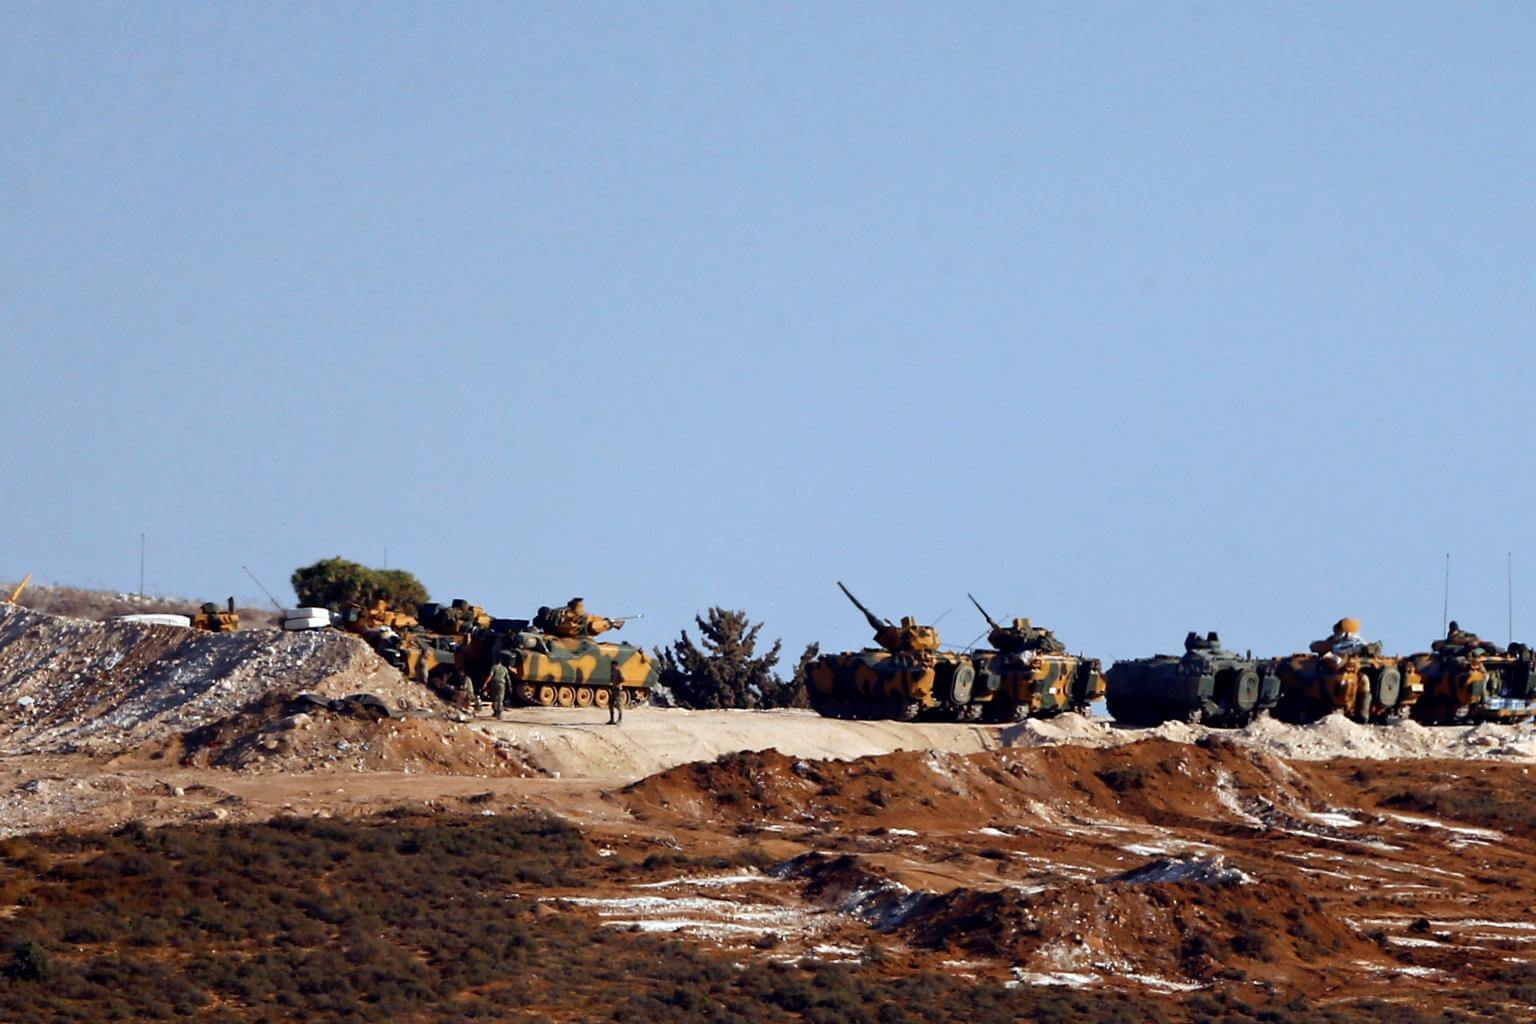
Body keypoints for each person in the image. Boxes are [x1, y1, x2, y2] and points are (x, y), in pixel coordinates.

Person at [487, 653, 511, 720]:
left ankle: (495, 711)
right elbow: (508, 678)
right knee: (500, 698)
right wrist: (510, 686)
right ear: (501, 662)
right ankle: (499, 713)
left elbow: (490, 676)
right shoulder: (504, 668)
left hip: (494, 684)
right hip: (502, 684)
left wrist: (485, 683)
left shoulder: (494, 667)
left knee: (494, 698)